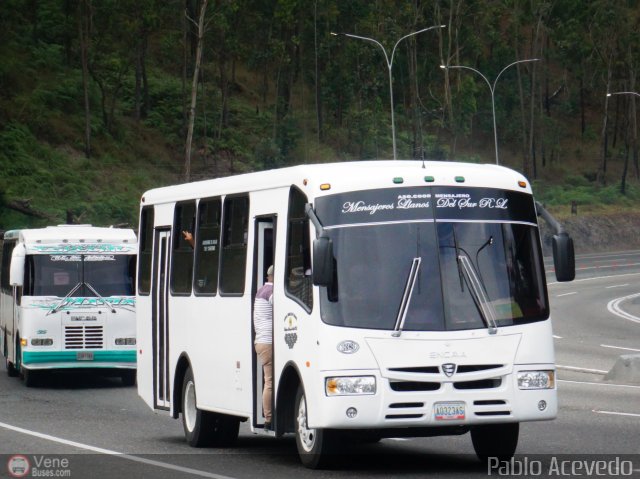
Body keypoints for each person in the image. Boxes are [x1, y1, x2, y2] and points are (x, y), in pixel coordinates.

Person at [253, 265, 274, 430]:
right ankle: (269, 418)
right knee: (270, 382)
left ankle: (268, 417)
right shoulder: (272, 293)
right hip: (269, 341)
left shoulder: (260, 291)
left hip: (260, 340)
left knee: (268, 380)